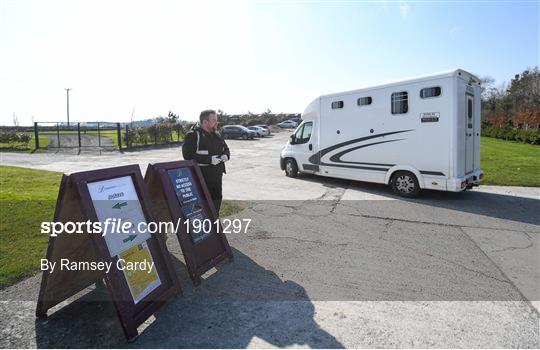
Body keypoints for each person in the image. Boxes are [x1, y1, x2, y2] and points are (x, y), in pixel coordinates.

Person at [182, 109, 230, 215]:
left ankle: (215, 223)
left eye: (216, 120)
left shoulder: (217, 134)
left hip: (217, 176)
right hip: (202, 177)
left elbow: (226, 148)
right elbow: (188, 156)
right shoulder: (193, 135)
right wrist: (209, 160)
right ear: (205, 122)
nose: (216, 123)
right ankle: (204, 227)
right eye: (213, 120)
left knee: (217, 199)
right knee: (203, 204)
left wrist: (226, 155)